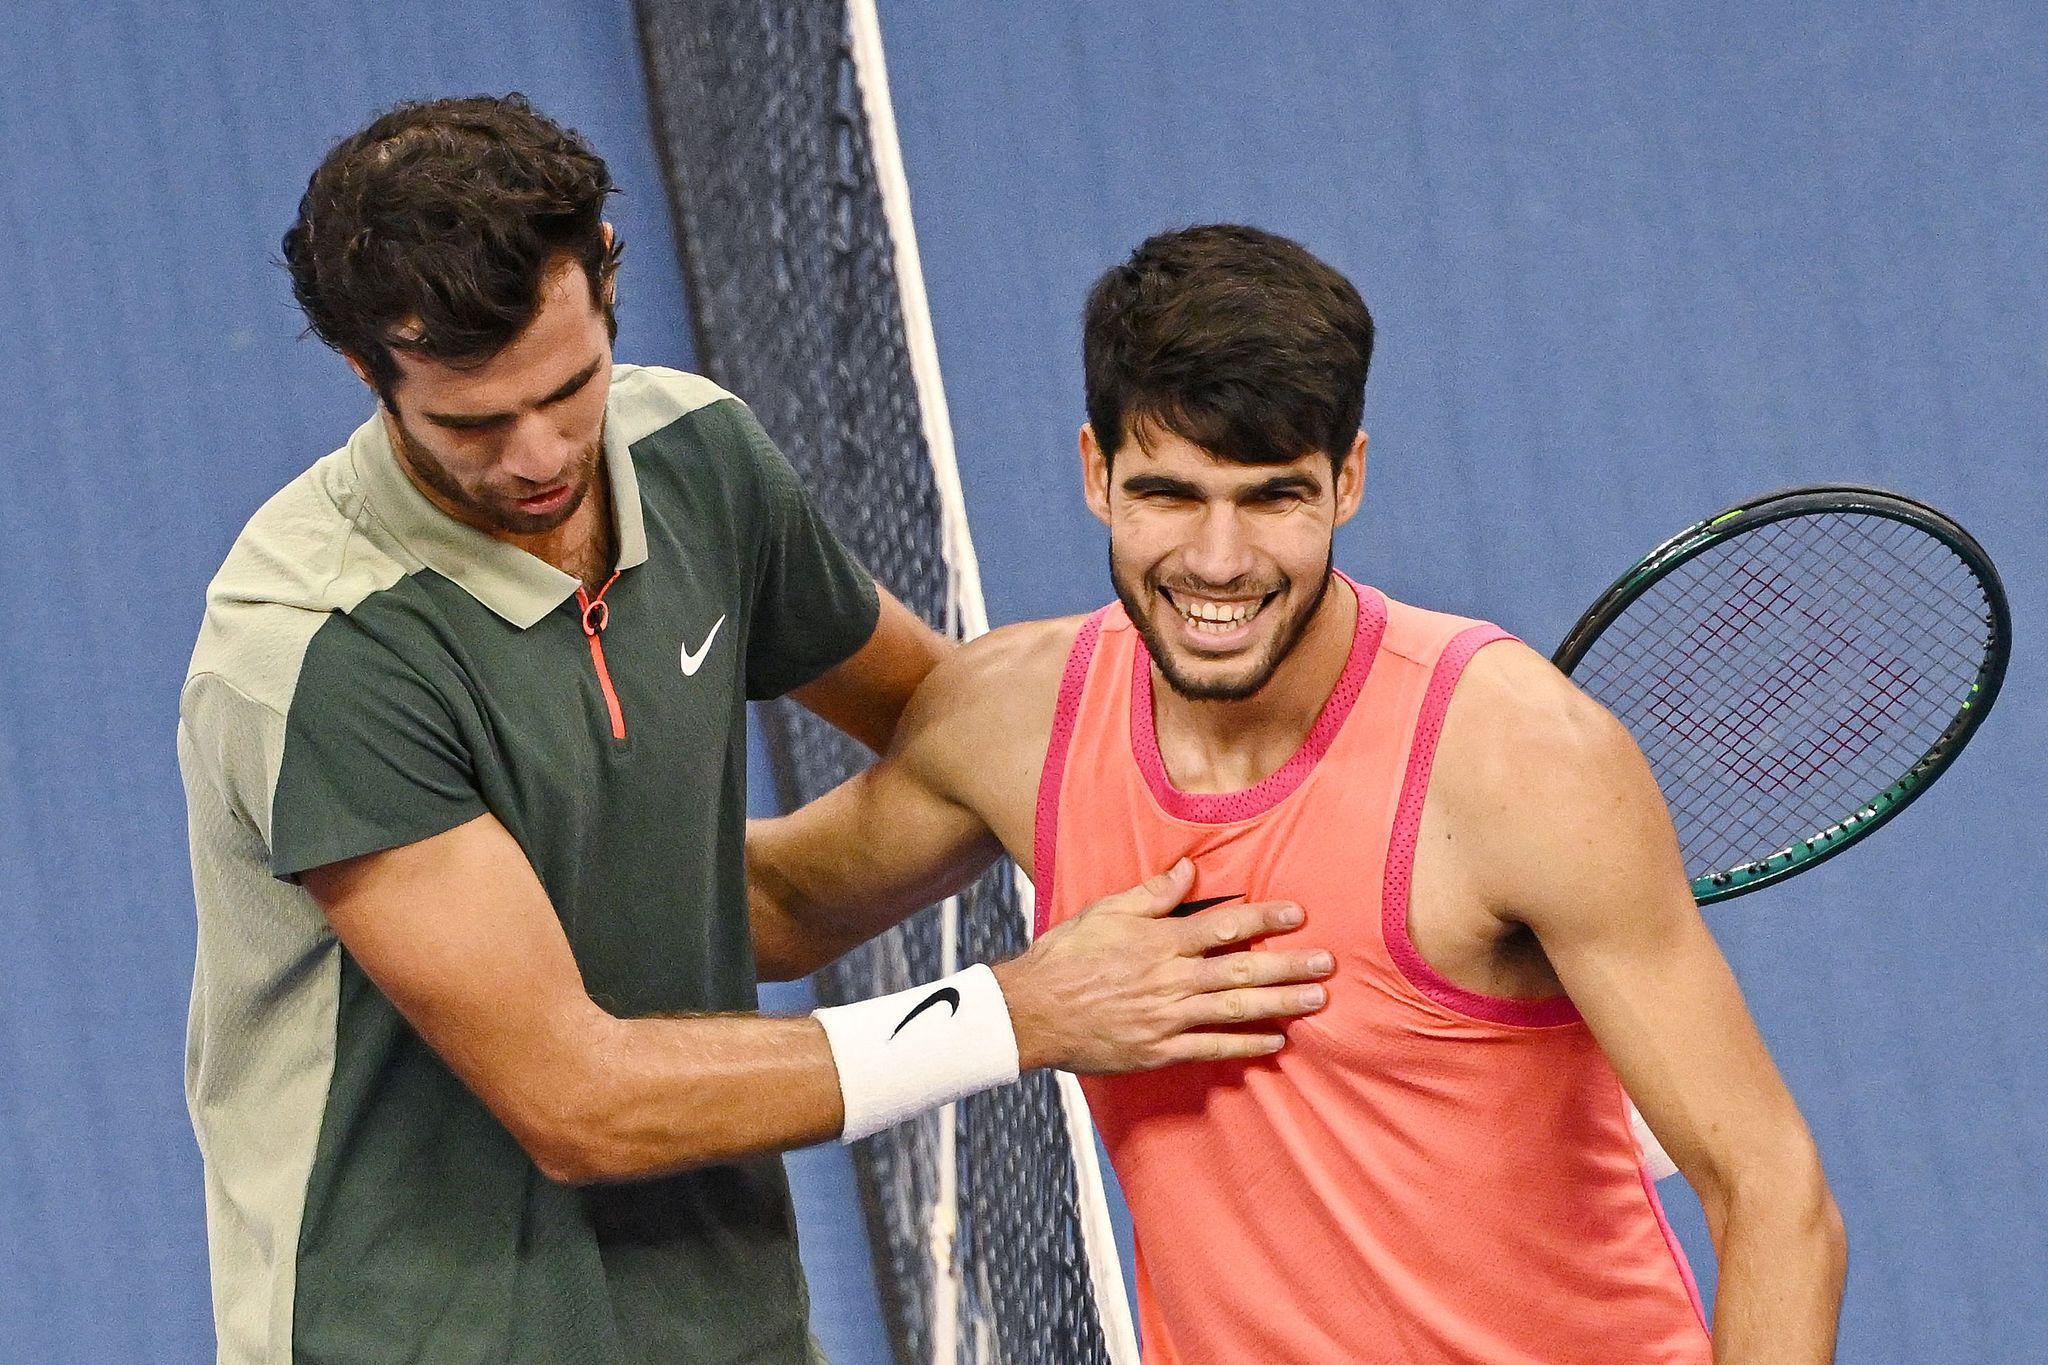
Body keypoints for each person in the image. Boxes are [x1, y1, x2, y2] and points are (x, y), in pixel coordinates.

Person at [177, 98, 1334, 1365]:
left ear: (608, 270)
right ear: (366, 373)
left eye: (570, 388)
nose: (540, 452)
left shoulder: (694, 460)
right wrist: (1020, 1012)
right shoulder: (323, 653)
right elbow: (576, 1101)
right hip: (422, 1332)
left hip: (717, 1315)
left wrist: (1233, 772)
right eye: (472, 423)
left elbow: (949, 739)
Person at [749, 224, 1849, 1363]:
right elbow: (774, 908)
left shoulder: (1515, 763)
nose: (1216, 561)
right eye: (1167, 495)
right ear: (1093, 473)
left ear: (1347, 479)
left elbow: (1773, 1199)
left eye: (1272, 497)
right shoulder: (1011, 727)